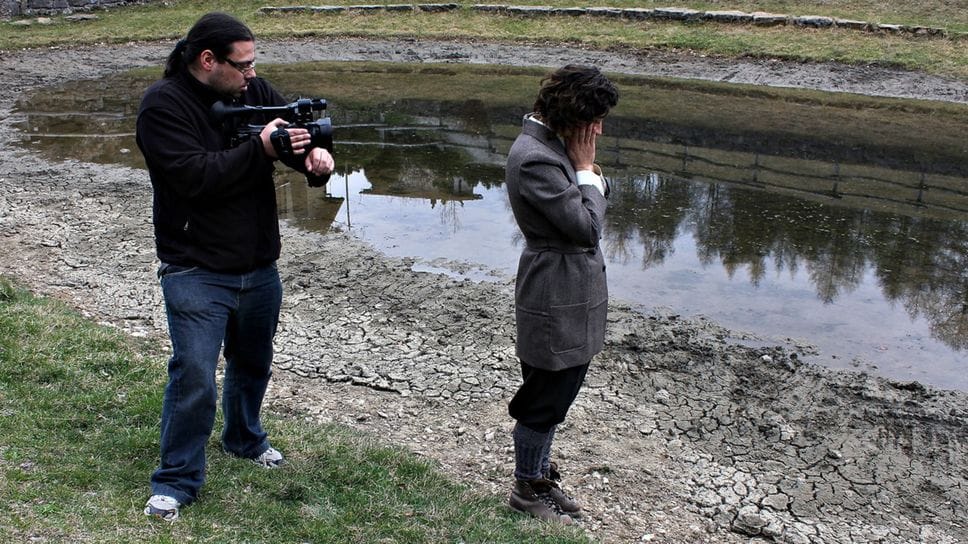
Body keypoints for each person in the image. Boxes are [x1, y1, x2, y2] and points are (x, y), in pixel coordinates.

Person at [135, 12, 334, 521]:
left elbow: (288, 136)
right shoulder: (163, 107)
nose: (251, 76)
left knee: (252, 363)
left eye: (253, 65)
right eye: (241, 66)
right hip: (194, 267)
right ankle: (176, 481)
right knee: (196, 373)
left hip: (258, 262)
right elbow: (194, 176)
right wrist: (260, 148)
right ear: (208, 61)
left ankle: (244, 438)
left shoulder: (253, 90)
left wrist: (312, 159)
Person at [504, 64, 619, 524]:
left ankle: (539, 475)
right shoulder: (536, 157)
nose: (600, 129)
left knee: (558, 393)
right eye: (595, 120)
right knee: (545, 398)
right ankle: (525, 487)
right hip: (554, 295)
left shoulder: (555, 147)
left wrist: (588, 177)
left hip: (570, 292)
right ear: (574, 118)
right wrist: (588, 171)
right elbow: (587, 226)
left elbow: (595, 201)